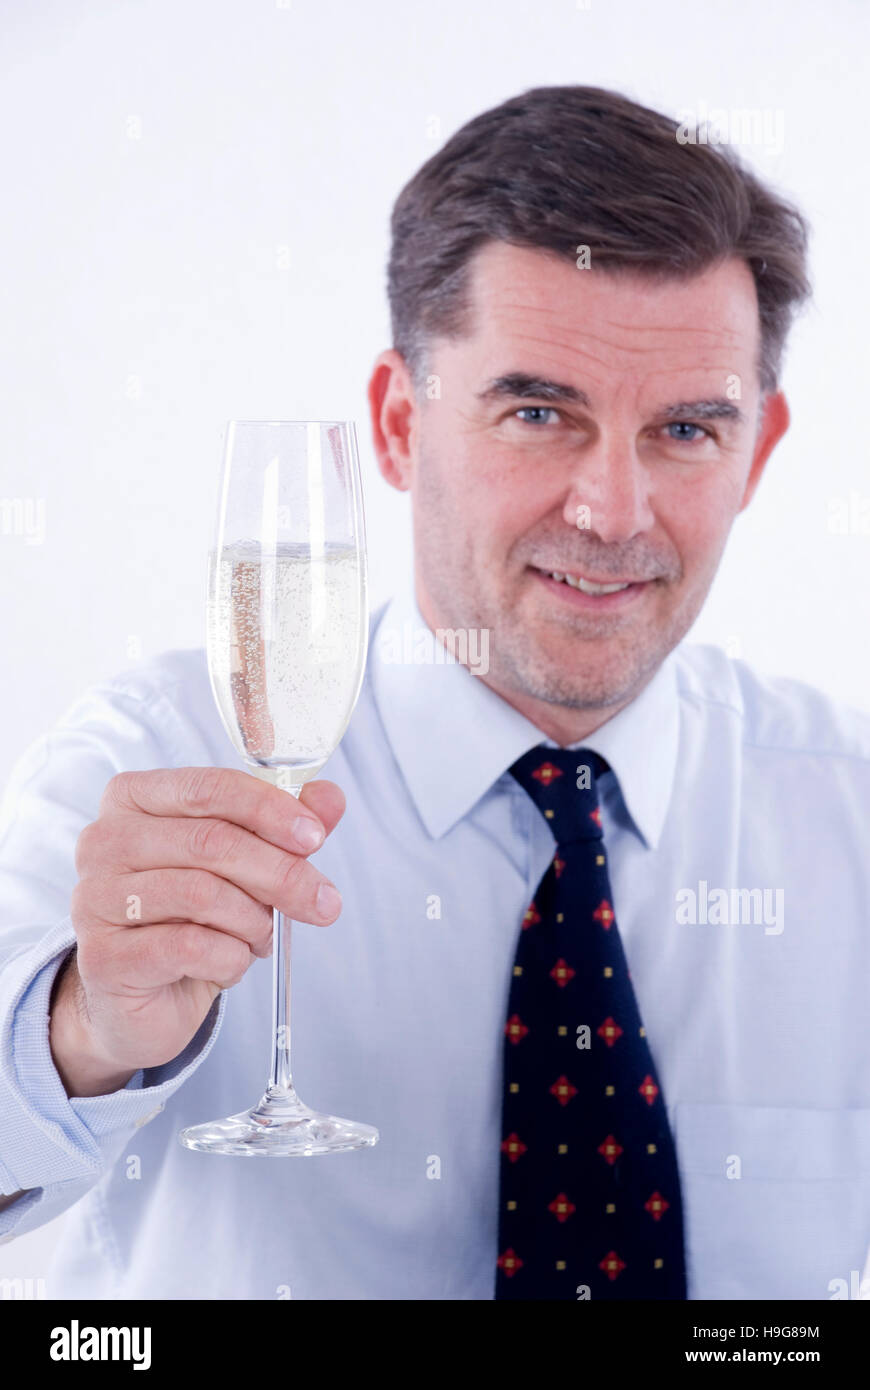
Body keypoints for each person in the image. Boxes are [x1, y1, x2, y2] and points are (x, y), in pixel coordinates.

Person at [1, 84, 868, 1303]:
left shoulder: (849, 822)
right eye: (536, 411)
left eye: (684, 429)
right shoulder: (157, 765)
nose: (612, 513)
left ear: (759, 453)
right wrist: (83, 1032)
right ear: (399, 427)